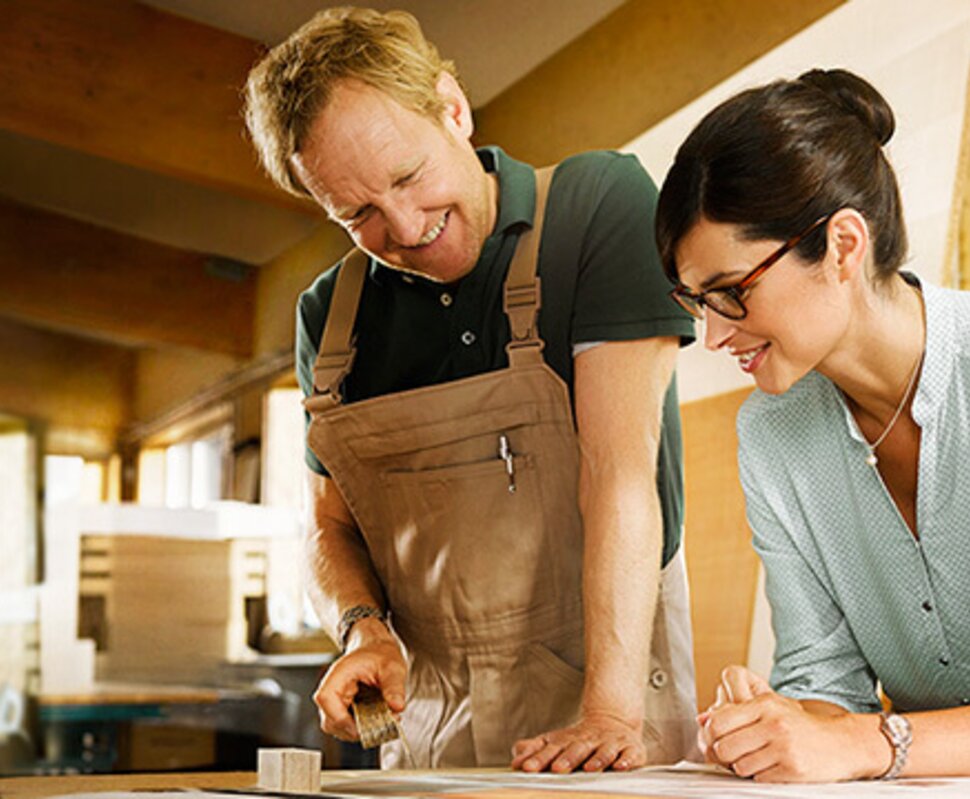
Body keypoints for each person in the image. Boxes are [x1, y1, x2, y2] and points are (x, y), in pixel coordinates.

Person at [244, 6, 698, 772]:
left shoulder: (594, 206)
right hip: (425, 720)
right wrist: (361, 627)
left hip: (607, 688)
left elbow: (619, 474)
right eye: (357, 213)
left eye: (407, 177)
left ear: (452, 109)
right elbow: (328, 526)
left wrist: (610, 714)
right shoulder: (329, 317)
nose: (404, 227)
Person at [655, 67, 970, 783]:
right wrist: (775, 723)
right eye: (696, 301)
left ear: (843, 246)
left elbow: (856, 738)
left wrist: (868, 742)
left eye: (730, 292)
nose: (713, 335)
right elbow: (825, 683)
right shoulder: (772, 437)